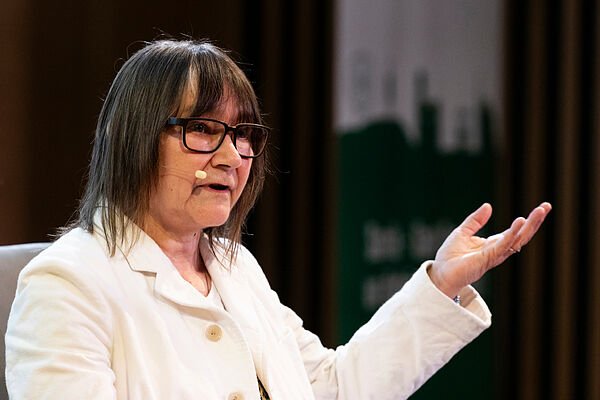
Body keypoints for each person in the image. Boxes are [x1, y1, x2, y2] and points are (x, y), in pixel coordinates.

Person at [4, 39, 551, 400]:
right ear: (133, 138)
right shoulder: (67, 284)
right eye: (203, 129)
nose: (232, 156)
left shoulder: (234, 265)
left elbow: (329, 387)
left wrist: (441, 284)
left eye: (244, 135)